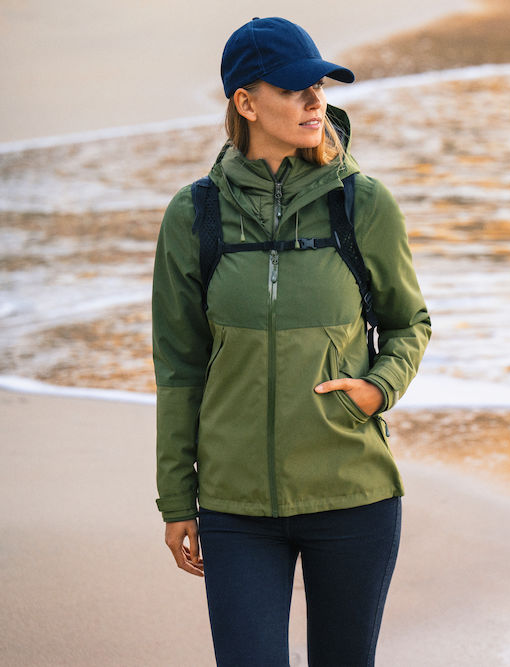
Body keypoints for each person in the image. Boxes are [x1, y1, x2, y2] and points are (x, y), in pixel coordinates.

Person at [151, 16, 431, 666]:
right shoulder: (195, 216)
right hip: (236, 506)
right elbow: (180, 365)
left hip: (351, 493)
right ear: (246, 104)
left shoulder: (363, 205)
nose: (315, 102)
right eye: (294, 89)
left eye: (320, 87)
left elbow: (408, 322)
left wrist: (377, 388)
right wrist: (176, 497)